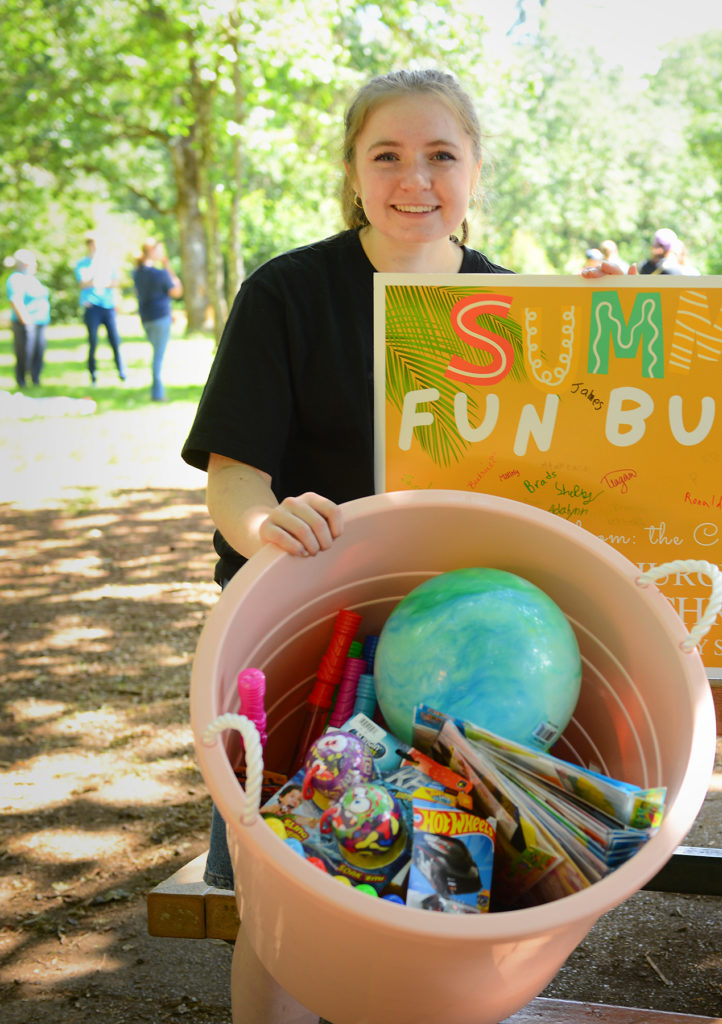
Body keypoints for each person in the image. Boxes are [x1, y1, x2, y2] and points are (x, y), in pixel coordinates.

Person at [182, 67, 511, 1024]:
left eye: (441, 154)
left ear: (475, 170)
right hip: (304, 645)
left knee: (455, 895)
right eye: (388, 155)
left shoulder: (522, 309)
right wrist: (263, 525)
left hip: (471, 657)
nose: (416, 178)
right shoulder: (286, 294)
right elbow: (236, 475)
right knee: (292, 909)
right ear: (353, 172)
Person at [132, 239, 183, 401]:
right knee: (158, 357)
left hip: (146, 318)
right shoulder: (159, 274)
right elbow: (177, 291)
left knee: (156, 354)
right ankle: (157, 393)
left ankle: (157, 390)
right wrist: (167, 266)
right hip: (160, 317)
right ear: (152, 252)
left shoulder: (137, 272)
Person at [76, 231, 127, 385]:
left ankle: (121, 372)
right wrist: (95, 278)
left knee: (114, 340)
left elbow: (115, 282)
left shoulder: (108, 262)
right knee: (93, 341)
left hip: (107, 305)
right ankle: (93, 374)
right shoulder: (83, 264)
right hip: (92, 306)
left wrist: (100, 281)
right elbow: (83, 283)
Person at [5, 248, 50, 388]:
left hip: (40, 321)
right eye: (33, 262)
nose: (35, 265)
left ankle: (35, 379)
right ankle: (22, 381)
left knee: (38, 352)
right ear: (25, 264)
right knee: (24, 353)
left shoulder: (33, 279)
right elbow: (16, 301)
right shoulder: (16, 278)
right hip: (25, 323)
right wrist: (26, 322)